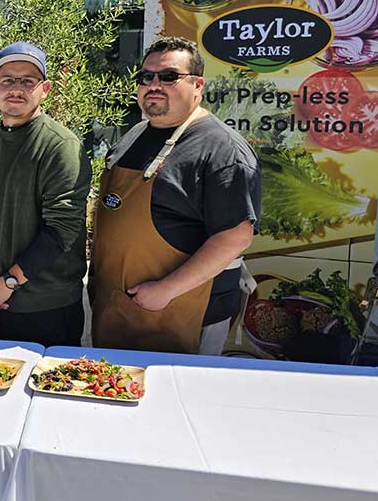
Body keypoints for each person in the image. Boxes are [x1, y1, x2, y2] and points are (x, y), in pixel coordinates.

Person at [90, 36, 261, 355]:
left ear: (198, 85)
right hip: (119, 308)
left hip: (183, 313)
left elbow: (235, 237)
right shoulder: (135, 135)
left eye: (169, 76)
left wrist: (166, 291)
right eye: (146, 77)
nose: (155, 84)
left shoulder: (221, 150)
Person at [0, 42, 91, 346]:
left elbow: (62, 230)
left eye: (27, 81)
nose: (16, 88)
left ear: (45, 88)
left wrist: (8, 282)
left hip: (46, 306)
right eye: (7, 80)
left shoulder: (61, 146)